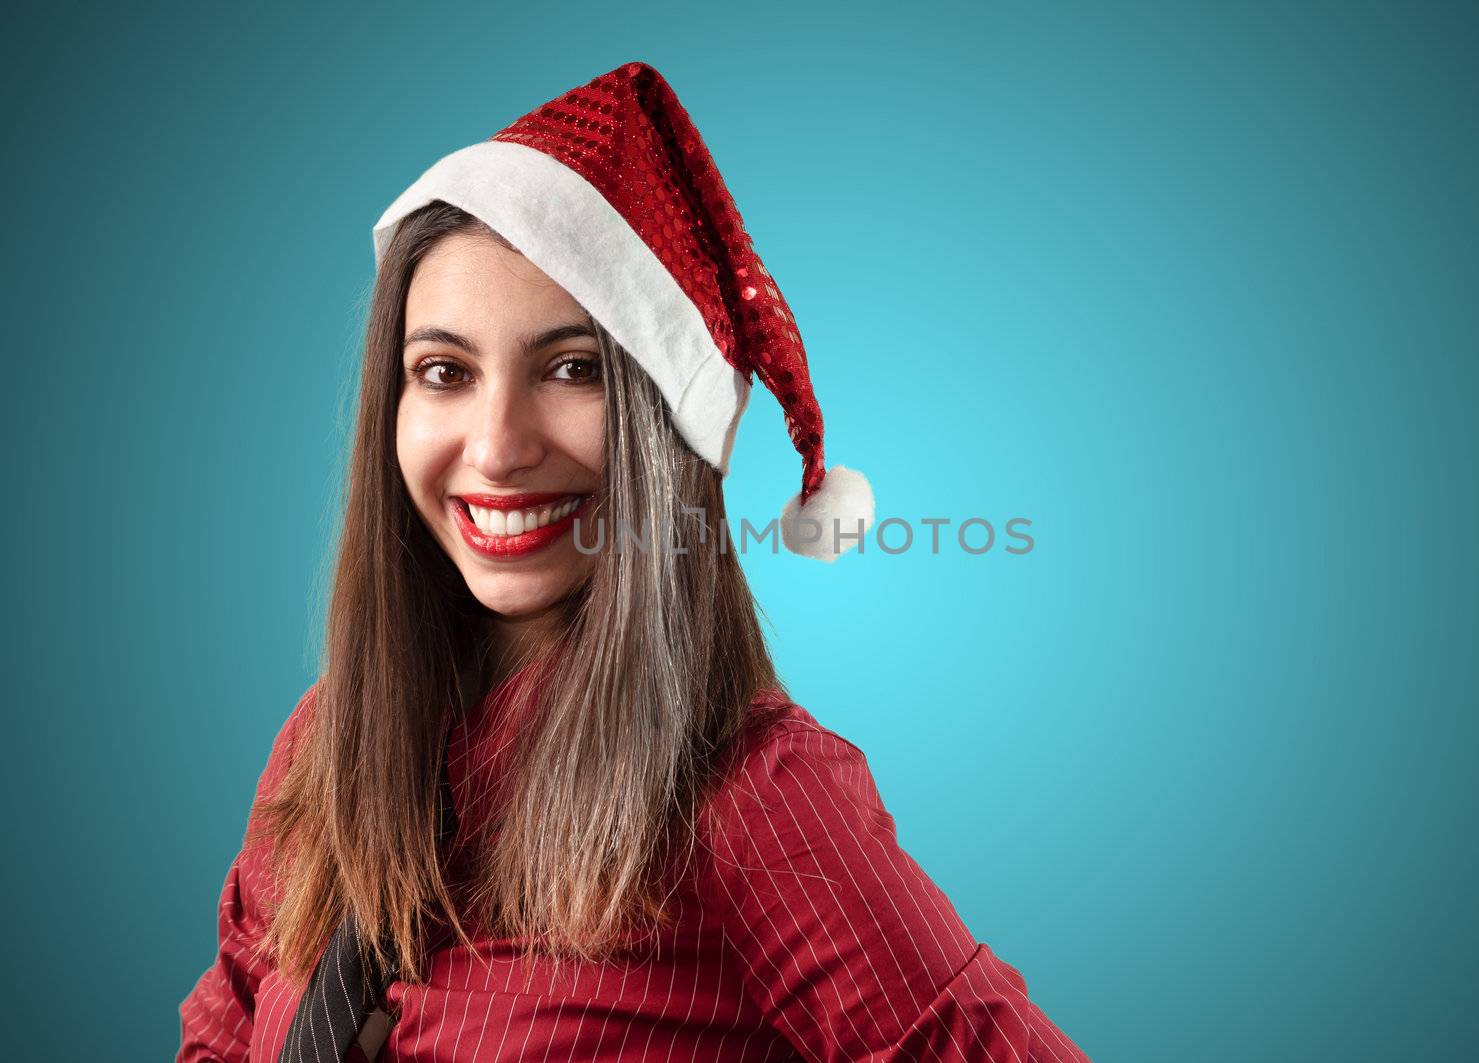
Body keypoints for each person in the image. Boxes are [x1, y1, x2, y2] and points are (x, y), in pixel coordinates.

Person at [176, 60, 1093, 1063]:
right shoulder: (323, 745)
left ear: (665, 425)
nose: (495, 446)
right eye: (444, 372)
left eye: (572, 370)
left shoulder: (757, 797)